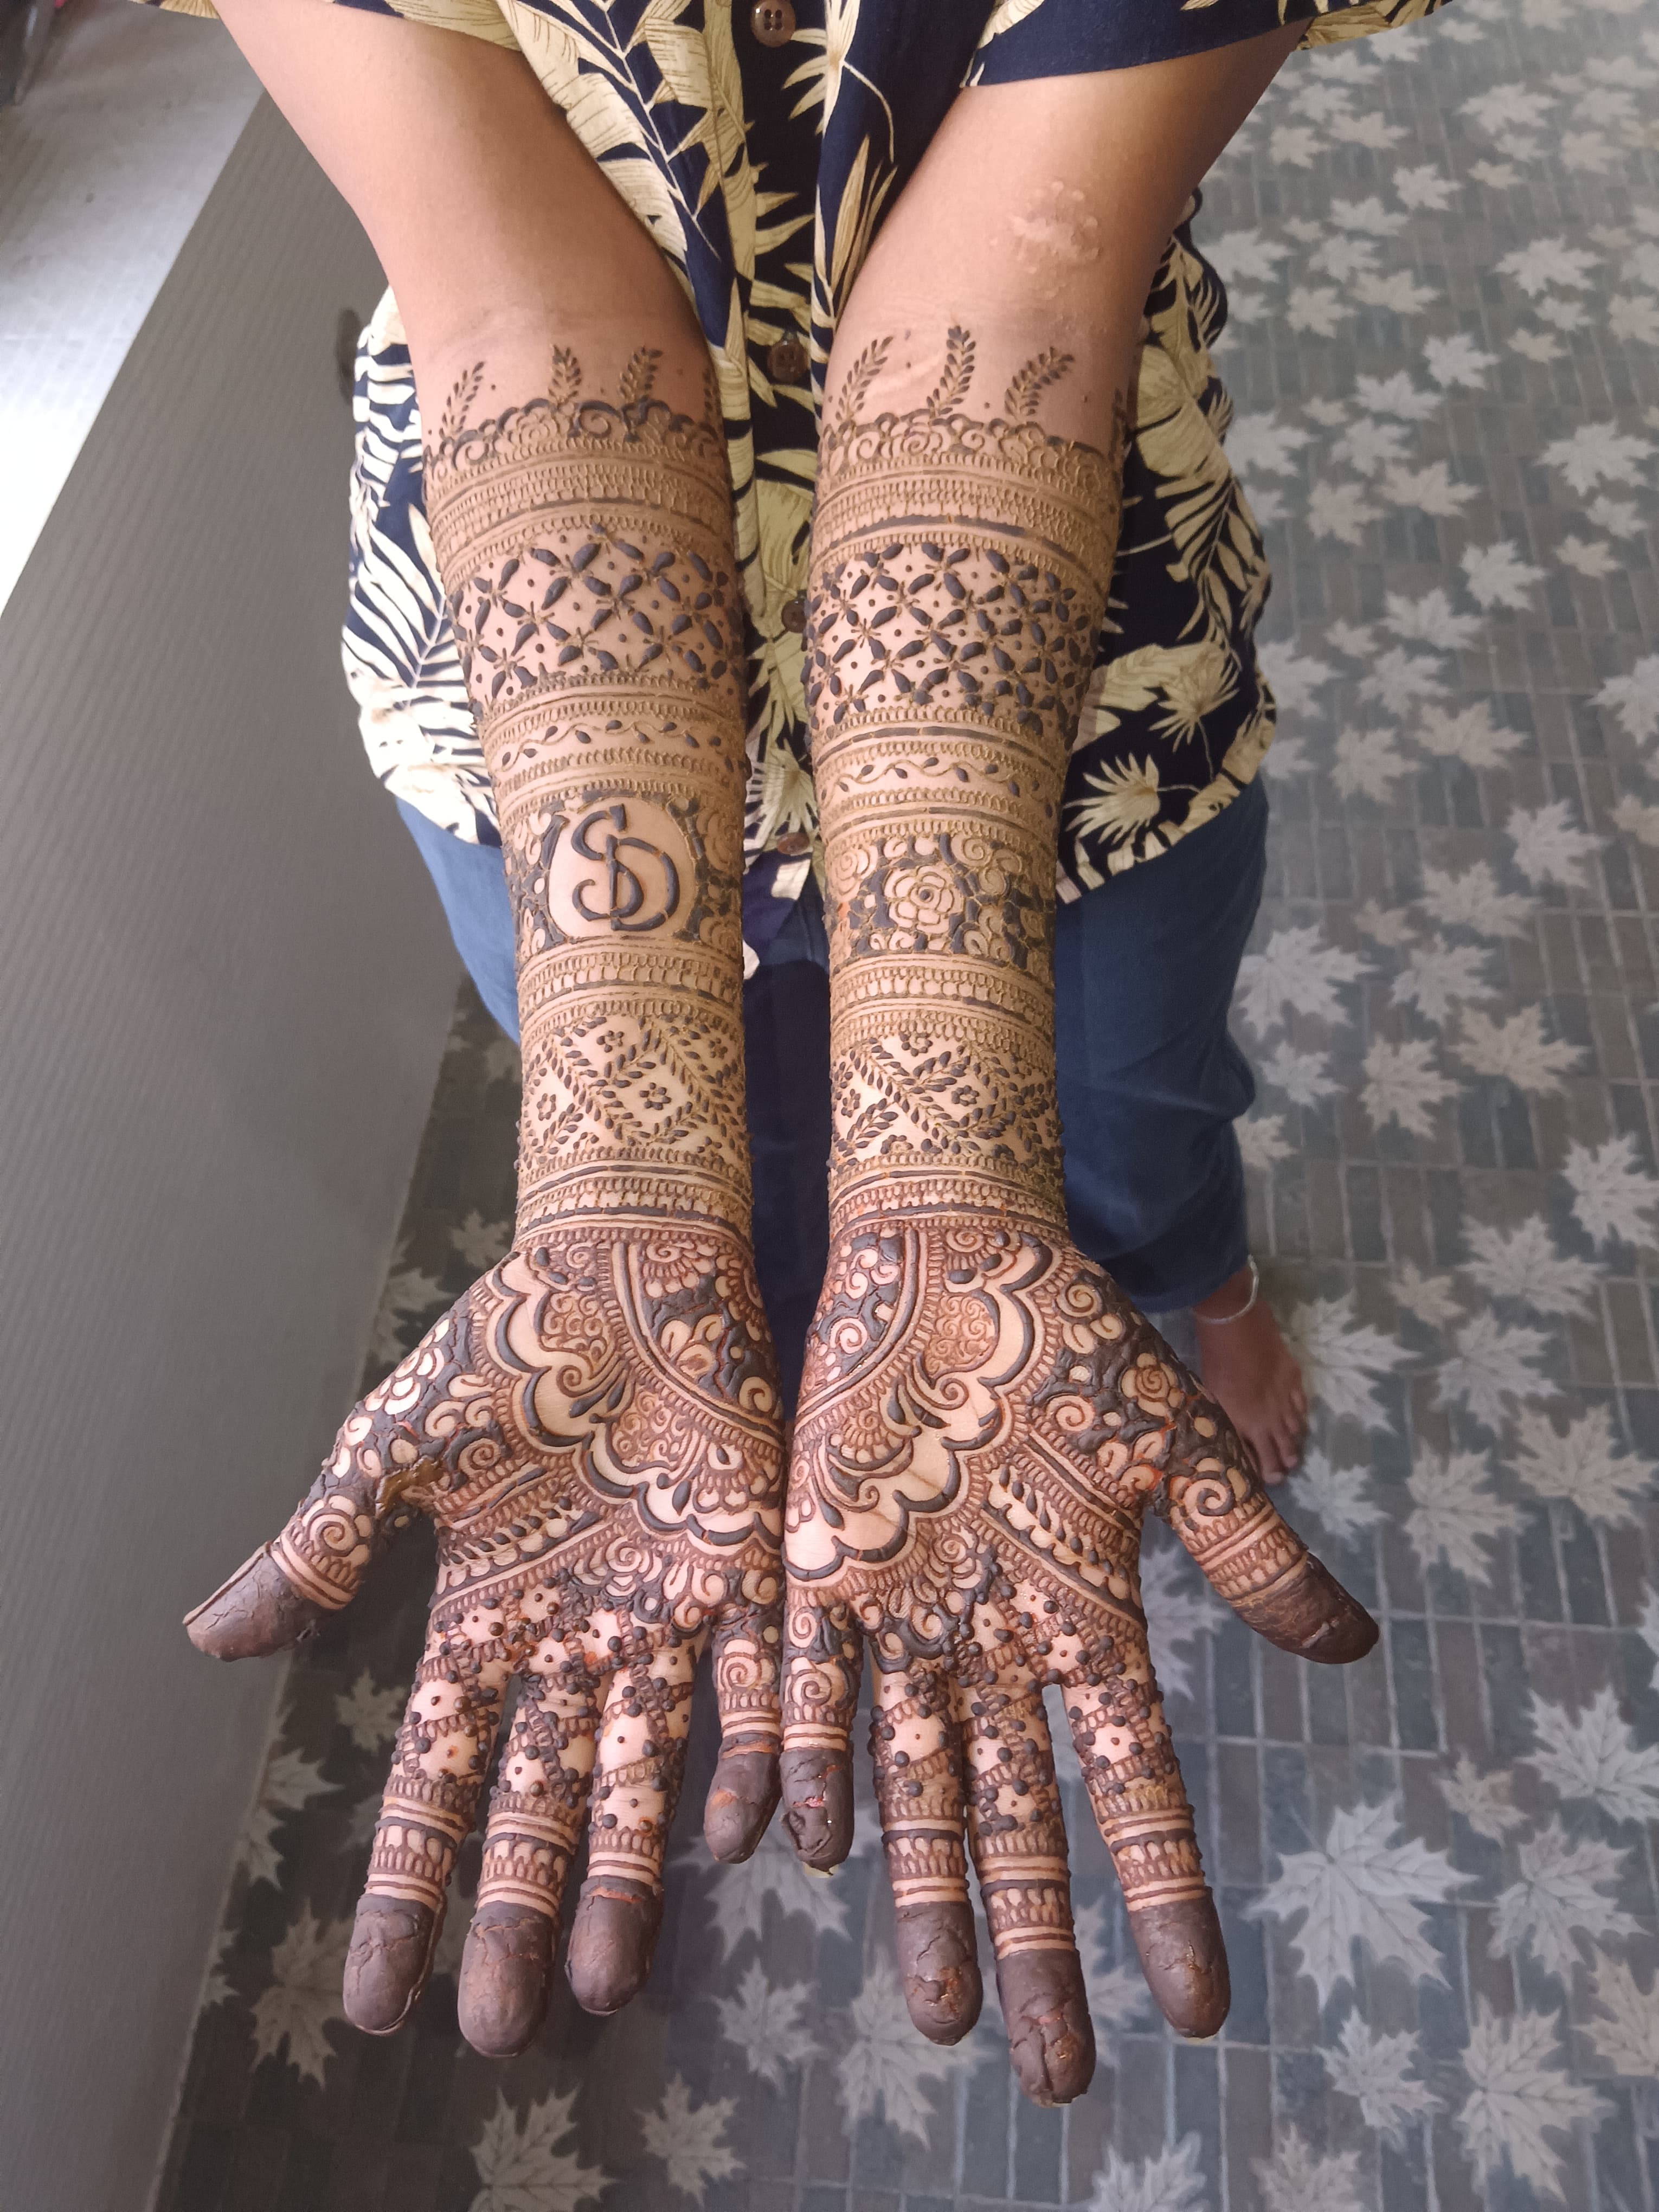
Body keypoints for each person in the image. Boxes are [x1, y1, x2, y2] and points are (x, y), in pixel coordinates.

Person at [157, 0, 1445, 2110]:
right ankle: (753, 1354)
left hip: (1084, 676)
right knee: (740, 1212)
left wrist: (944, 1166)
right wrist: (613, 1190)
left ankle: (1197, 1289)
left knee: (1130, 1117)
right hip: (533, 687)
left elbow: (1020, 267)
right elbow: (519, 305)